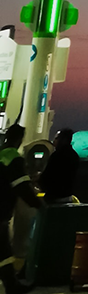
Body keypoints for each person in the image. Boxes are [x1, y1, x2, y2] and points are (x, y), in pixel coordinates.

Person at [0, 125, 42, 294]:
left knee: (3, 250)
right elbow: (22, 186)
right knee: (3, 248)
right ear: (19, 139)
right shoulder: (13, 158)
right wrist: (39, 205)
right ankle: (12, 286)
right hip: (0, 212)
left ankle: (12, 285)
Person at [39, 129, 79, 204]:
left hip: (54, 198)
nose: (53, 141)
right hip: (68, 196)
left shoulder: (57, 156)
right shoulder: (74, 156)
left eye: (56, 138)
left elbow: (48, 176)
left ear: (63, 140)